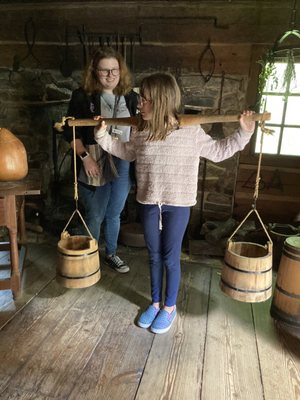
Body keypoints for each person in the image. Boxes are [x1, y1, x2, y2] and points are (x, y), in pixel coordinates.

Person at [94, 72, 255, 334]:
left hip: (178, 205)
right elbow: (125, 152)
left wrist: (243, 133)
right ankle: (156, 303)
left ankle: (169, 308)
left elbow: (218, 151)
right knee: (154, 257)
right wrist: (102, 137)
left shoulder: (190, 130)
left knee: (170, 258)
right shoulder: (140, 130)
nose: (139, 104)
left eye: (144, 100)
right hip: (148, 202)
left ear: (160, 101)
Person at [63, 47, 138, 273]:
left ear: (120, 70)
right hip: (95, 157)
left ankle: (111, 253)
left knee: (114, 212)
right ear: (94, 72)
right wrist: (85, 158)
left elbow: (138, 129)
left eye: (114, 70)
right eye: (104, 70)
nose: (110, 75)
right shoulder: (82, 97)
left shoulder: (131, 97)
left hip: (122, 158)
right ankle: (90, 256)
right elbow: (71, 133)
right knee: (95, 214)